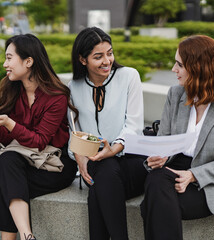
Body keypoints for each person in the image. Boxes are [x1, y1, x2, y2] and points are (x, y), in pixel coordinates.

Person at [0, 34, 78, 240]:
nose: (5, 64)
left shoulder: (56, 96)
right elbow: (4, 139)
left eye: (9, 58)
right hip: (24, 162)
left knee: (5, 178)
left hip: (54, 166)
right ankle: (28, 236)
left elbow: (39, 142)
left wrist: (9, 123)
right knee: (8, 164)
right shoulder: (10, 89)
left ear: (28, 61)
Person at [140, 35, 214, 240]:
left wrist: (193, 175)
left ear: (198, 67)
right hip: (172, 171)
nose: (173, 69)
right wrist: (158, 157)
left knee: (152, 201)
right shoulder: (175, 94)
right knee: (157, 180)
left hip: (206, 183)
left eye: (179, 64)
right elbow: (164, 141)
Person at [69, 27, 148, 240]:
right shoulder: (73, 87)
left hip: (130, 159)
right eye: (98, 56)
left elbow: (134, 125)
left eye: (110, 53)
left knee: (102, 180)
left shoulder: (129, 76)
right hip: (95, 163)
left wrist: (113, 149)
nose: (107, 60)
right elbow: (74, 133)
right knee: (103, 172)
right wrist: (79, 158)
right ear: (82, 59)